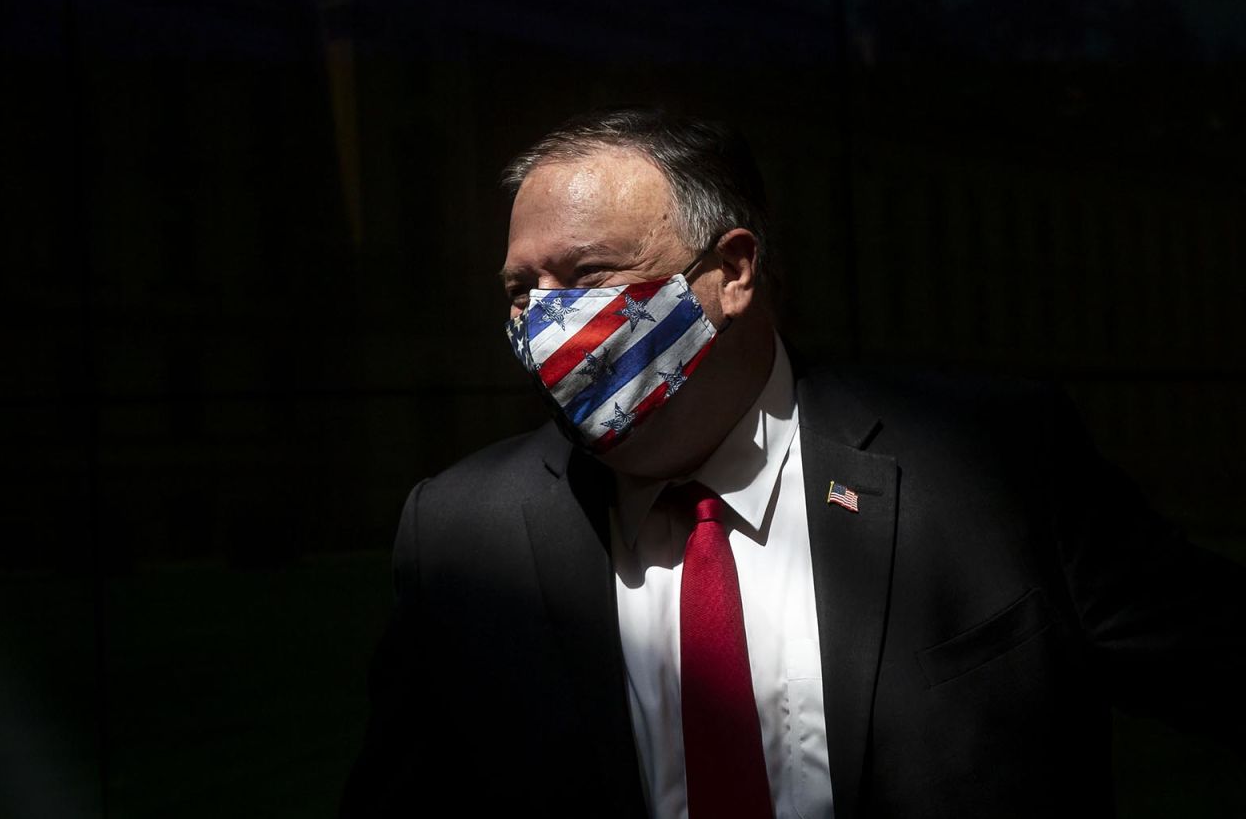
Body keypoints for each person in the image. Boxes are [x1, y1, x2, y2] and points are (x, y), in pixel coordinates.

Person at [341, 108, 1245, 818]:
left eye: (584, 275)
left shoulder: (996, 465)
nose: (544, 322)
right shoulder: (462, 532)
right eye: (520, 288)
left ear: (732, 271)